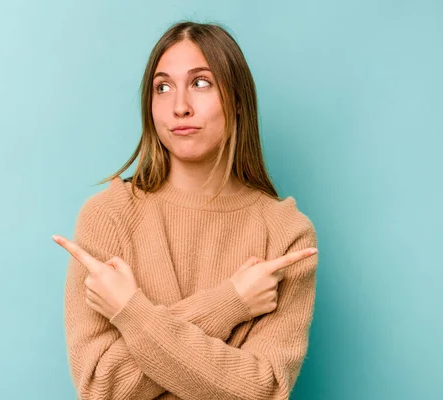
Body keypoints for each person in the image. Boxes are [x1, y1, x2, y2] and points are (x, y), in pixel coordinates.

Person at [52, 20, 319, 400]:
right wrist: (232, 302)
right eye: (163, 87)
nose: (180, 107)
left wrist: (129, 312)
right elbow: (102, 389)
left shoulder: (286, 234)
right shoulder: (108, 216)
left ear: (238, 101)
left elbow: (262, 391)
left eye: (201, 83)